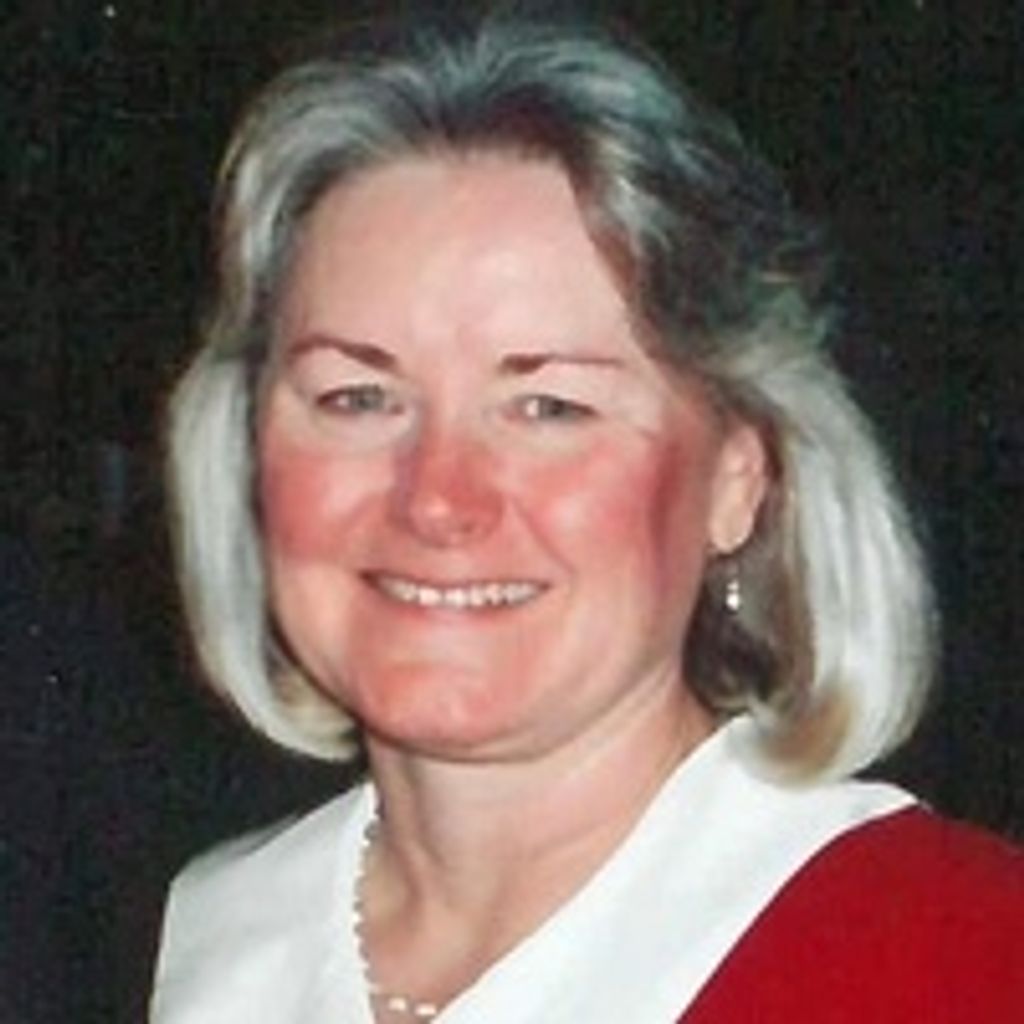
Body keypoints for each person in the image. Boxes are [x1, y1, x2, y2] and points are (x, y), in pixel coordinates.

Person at [149, 14, 1022, 1022]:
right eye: (358, 398)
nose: (437, 497)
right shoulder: (179, 942)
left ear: (737, 476)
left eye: (548, 407)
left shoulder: (961, 954)